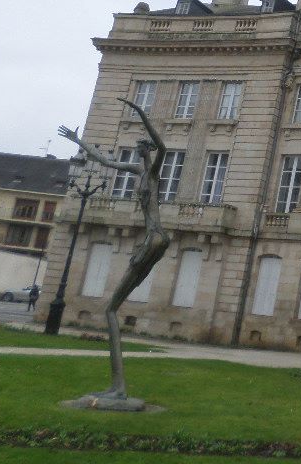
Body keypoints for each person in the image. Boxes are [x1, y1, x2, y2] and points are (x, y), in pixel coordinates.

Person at [57, 97, 169, 400]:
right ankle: (117, 386)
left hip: (154, 239)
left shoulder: (154, 171)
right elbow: (106, 162)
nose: (139, 153)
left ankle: (118, 387)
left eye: (141, 149)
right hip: (155, 240)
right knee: (113, 308)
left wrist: (141, 112)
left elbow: (163, 145)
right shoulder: (140, 172)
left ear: (147, 151)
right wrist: (78, 139)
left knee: (110, 309)